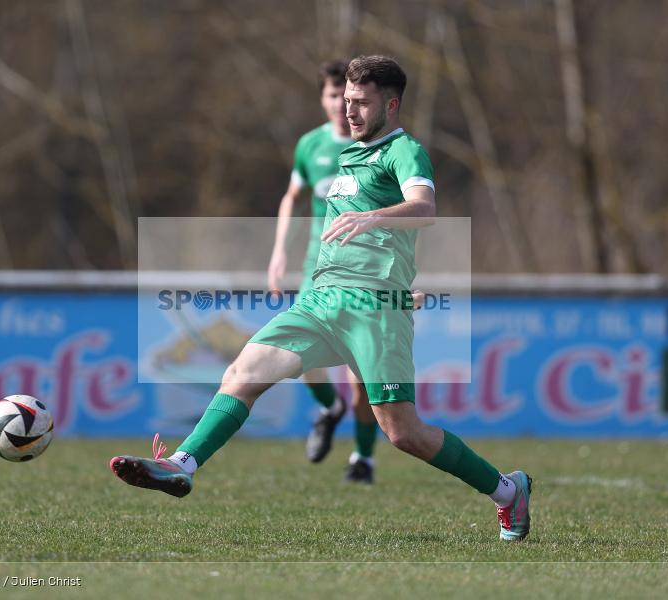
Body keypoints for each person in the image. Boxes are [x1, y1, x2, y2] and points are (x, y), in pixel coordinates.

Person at [111, 55, 532, 541]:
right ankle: (183, 464)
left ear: (391, 105)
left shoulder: (404, 151)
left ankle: (507, 491)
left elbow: (425, 208)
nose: (348, 112)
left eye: (361, 103)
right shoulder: (346, 155)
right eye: (346, 101)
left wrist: (379, 236)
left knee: (404, 434)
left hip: (374, 313)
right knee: (242, 373)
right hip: (322, 302)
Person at [266, 59, 378, 482]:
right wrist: (278, 252)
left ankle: (363, 458)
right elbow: (291, 197)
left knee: (361, 375)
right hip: (318, 268)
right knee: (299, 353)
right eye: (332, 95)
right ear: (322, 98)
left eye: (346, 96)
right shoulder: (310, 146)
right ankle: (329, 408)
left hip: (365, 274)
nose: (338, 104)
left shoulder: (374, 145)